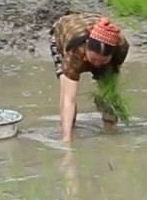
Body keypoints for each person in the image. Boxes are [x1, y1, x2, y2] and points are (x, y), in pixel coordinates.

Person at [51, 13, 129, 141]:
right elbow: (69, 99)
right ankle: (66, 130)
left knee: (108, 93)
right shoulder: (75, 50)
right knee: (67, 89)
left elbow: (111, 88)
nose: (96, 65)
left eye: (102, 62)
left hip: (99, 34)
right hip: (64, 32)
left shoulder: (121, 47)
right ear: (86, 48)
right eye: (93, 59)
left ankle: (111, 132)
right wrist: (67, 145)